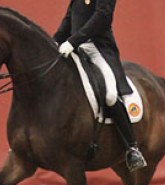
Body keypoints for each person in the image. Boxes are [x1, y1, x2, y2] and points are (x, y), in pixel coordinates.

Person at [53, 0, 147, 172]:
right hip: (75, 49)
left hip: (98, 49)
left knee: (110, 95)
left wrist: (73, 41)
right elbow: (68, 19)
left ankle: (132, 148)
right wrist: (54, 41)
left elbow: (102, 17)